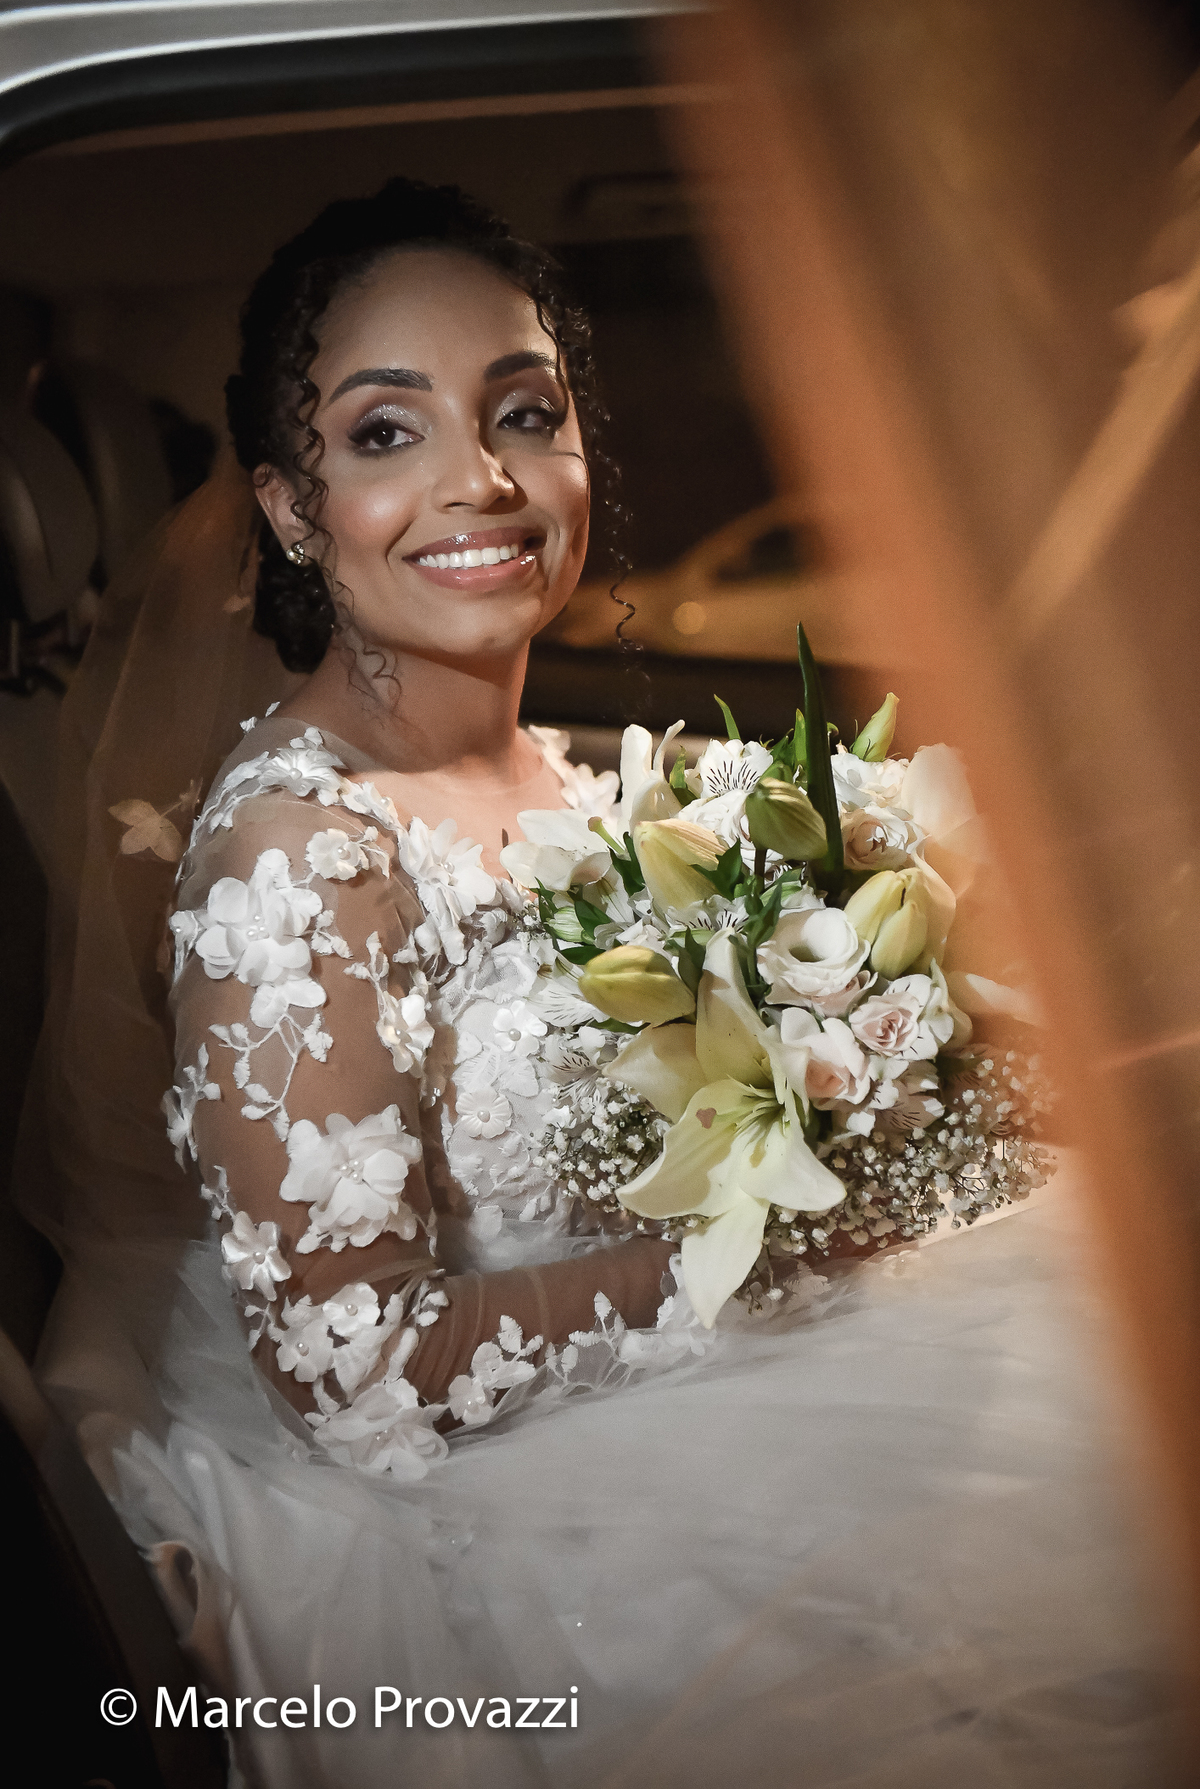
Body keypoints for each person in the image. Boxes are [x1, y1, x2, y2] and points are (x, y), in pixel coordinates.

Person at [23, 179, 1185, 1789]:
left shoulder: (577, 782)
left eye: (524, 412)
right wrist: (764, 1257)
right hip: (523, 1503)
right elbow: (361, 1383)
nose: (482, 479)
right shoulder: (302, 856)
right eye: (386, 432)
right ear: (291, 510)